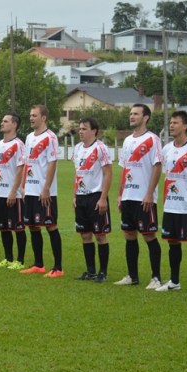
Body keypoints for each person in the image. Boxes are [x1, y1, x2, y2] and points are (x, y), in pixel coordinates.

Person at [154, 111, 187, 294]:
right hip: (171, 205)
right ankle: (174, 281)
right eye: (170, 122)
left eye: (175, 122)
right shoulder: (167, 149)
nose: (171, 125)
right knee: (173, 242)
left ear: (185, 126)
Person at [115, 104, 164, 288]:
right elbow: (125, 168)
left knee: (149, 235)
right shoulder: (127, 141)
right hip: (128, 196)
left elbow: (157, 166)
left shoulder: (153, 139)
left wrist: (150, 193)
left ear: (146, 118)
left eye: (136, 114)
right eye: (130, 113)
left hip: (144, 197)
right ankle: (132, 276)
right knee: (129, 235)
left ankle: (156, 277)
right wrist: (121, 195)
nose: (131, 116)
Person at [20, 105, 63, 277]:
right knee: (33, 226)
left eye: (35, 115)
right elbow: (27, 163)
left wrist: (46, 188)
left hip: (44, 192)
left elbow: (53, 163)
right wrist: (23, 186)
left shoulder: (50, 137)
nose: (31, 118)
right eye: (30, 115)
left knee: (50, 226)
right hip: (30, 190)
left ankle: (58, 268)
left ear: (43, 118)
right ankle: (39, 264)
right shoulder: (29, 137)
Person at [71, 117, 113, 283]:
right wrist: (74, 195)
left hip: (96, 197)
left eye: (84, 128)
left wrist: (103, 198)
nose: (80, 131)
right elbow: (77, 174)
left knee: (100, 235)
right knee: (85, 235)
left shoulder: (100, 148)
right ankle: (90, 271)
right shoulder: (77, 149)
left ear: (94, 130)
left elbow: (108, 173)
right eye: (79, 128)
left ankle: (103, 272)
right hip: (81, 197)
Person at [0, 113, 26, 269]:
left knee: (18, 227)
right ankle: (8, 258)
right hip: (0, 192)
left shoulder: (18, 144)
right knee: (3, 227)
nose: (1, 123)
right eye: (2, 120)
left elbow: (20, 169)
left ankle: (20, 260)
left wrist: (13, 191)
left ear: (14, 125)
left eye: (5, 121)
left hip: (13, 194)